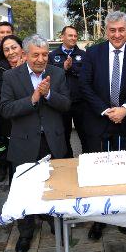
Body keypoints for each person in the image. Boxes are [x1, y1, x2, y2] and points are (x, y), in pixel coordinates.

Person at [0, 34, 71, 252]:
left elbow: (67, 105)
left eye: (45, 54)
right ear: (24, 54)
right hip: (25, 144)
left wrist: (48, 94)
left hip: (53, 142)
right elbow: (5, 109)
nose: (41, 59)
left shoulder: (57, 74)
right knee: (25, 190)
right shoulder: (11, 76)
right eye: (36, 55)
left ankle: (54, 222)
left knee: (54, 187)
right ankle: (26, 232)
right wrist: (32, 99)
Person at [80, 12, 126, 240]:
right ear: (105, 31)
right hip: (99, 122)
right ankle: (100, 220)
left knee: (125, 173)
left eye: (121, 30)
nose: (117, 35)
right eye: (112, 30)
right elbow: (85, 86)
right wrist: (106, 110)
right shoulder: (93, 53)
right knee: (99, 175)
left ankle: (124, 217)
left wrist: (125, 109)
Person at [48, 25, 88, 158]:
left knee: (85, 135)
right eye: (70, 35)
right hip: (61, 103)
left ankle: (87, 160)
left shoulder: (83, 55)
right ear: (62, 37)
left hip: (80, 103)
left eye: (75, 36)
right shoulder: (52, 56)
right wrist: (63, 68)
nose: (73, 38)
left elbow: (87, 75)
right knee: (64, 136)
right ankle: (68, 163)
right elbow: (49, 76)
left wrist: (71, 69)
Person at [0, 35, 24, 183]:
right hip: (8, 121)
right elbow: (2, 93)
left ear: (22, 48)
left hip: (30, 120)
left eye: (14, 47)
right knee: (14, 162)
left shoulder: (33, 64)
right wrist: (17, 73)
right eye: (6, 49)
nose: (11, 52)